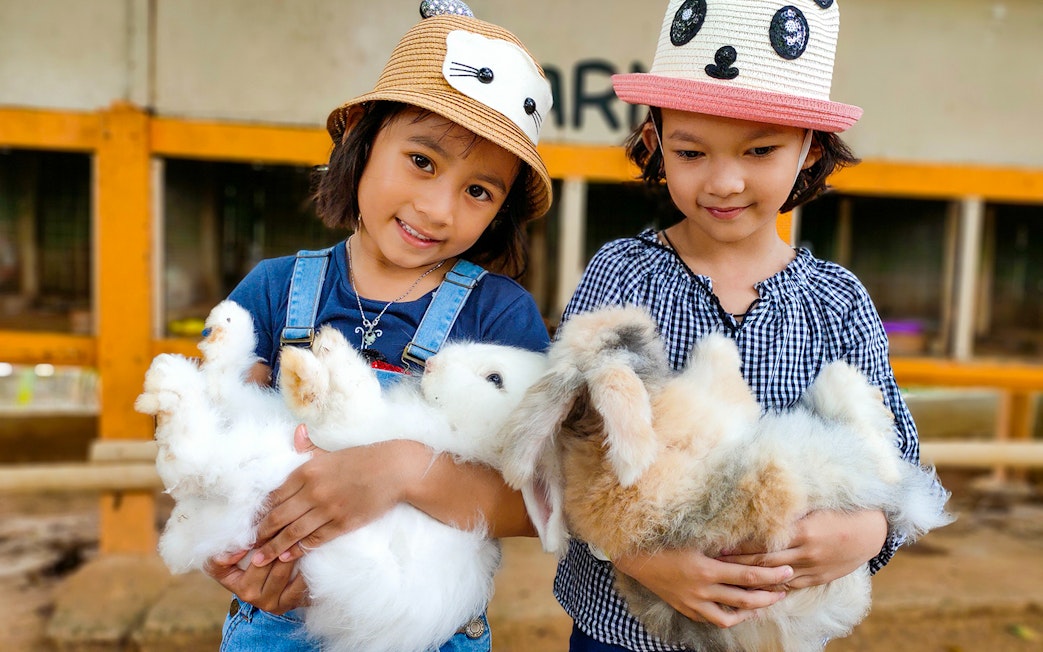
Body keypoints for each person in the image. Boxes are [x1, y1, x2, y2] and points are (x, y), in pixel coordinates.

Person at [555, 1, 938, 650]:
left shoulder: (837, 301)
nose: (724, 181)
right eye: (692, 151)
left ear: (809, 150)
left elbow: (896, 457)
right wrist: (642, 557)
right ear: (654, 142)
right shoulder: (620, 275)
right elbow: (560, 443)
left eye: (759, 149)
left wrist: (868, 531)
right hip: (624, 629)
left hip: (777, 629)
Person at [202, 2, 555, 650]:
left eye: (479, 190)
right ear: (363, 138)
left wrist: (402, 469)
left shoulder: (498, 317)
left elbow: (535, 501)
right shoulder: (273, 292)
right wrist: (224, 548)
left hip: (428, 627)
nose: (437, 208)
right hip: (276, 619)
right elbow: (205, 447)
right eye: (422, 160)